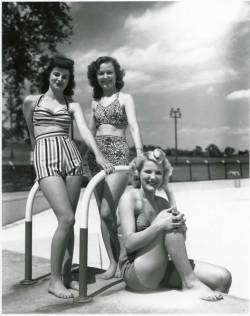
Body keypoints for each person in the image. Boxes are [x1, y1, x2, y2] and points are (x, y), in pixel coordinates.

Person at [22, 55, 114, 299]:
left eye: (64, 75)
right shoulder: (32, 101)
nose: (60, 78)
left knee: (71, 221)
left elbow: (83, 132)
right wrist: (38, 165)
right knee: (66, 218)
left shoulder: (71, 105)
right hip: (46, 156)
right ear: (48, 75)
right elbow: (33, 135)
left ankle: (65, 275)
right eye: (56, 74)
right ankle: (54, 281)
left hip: (71, 157)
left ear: (68, 79)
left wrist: (99, 155)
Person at [118, 148, 232, 301]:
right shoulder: (129, 198)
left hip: (161, 266)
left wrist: (182, 229)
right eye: (148, 172)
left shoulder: (162, 202)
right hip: (136, 271)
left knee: (222, 277)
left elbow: (175, 243)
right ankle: (190, 284)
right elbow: (129, 243)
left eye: (158, 173)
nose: (153, 177)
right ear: (138, 172)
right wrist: (158, 225)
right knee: (169, 223)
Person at [86, 56, 143, 279]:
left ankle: (123, 258)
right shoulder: (94, 103)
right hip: (96, 156)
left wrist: (139, 153)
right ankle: (113, 262)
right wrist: (85, 157)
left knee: (107, 211)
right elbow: (90, 133)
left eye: (109, 72)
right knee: (103, 216)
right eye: (101, 73)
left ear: (116, 75)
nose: (105, 76)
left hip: (119, 153)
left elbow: (134, 126)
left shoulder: (125, 98)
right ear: (96, 76)